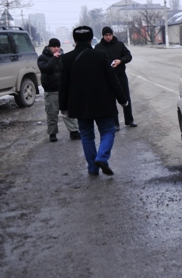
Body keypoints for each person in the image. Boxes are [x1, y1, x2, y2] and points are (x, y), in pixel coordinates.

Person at [60, 26, 129, 176]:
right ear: (91, 39)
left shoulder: (67, 58)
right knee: (108, 131)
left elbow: (63, 85)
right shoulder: (100, 55)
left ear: (74, 40)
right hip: (103, 103)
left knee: (86, 135)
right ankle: (102, 157)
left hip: (80, 105)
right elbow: (113, 80)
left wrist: (63, 107)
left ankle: (93, 168)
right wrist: (122, 100)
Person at [37, 38, 81, 142]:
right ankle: (52, 133)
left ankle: (74, 131)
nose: (56, 49)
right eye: (54, 47)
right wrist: (53, 58)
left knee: (68, 111)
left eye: (58, 46)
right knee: (52, 113)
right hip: (51, 90)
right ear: (49, 47)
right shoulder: (42, 58)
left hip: (63, 89)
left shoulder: (64, 57)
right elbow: (45, 68)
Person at [95, 26, 136, 129]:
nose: (108, 37)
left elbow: (128, 56)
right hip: (107, 78)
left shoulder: (120, 45)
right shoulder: (98, 47)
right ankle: (115, 123)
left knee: (126, 98)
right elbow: (96, 62)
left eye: (110, 35)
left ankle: (129, 120)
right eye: (106, 35)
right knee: (110, 100)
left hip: (120, 75)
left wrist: (120, 61)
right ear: (103, 36)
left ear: (112, 35)